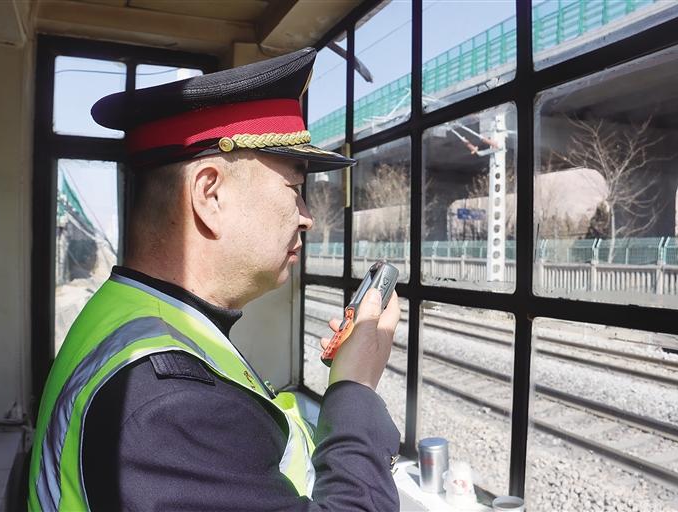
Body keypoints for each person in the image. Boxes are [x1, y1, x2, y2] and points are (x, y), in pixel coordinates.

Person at [28, 47, 402, 512]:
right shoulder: (165, 402)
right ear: (210, 195)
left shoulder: (139, 318)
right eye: (295, 189)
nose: (307, 217)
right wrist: (355, 389)